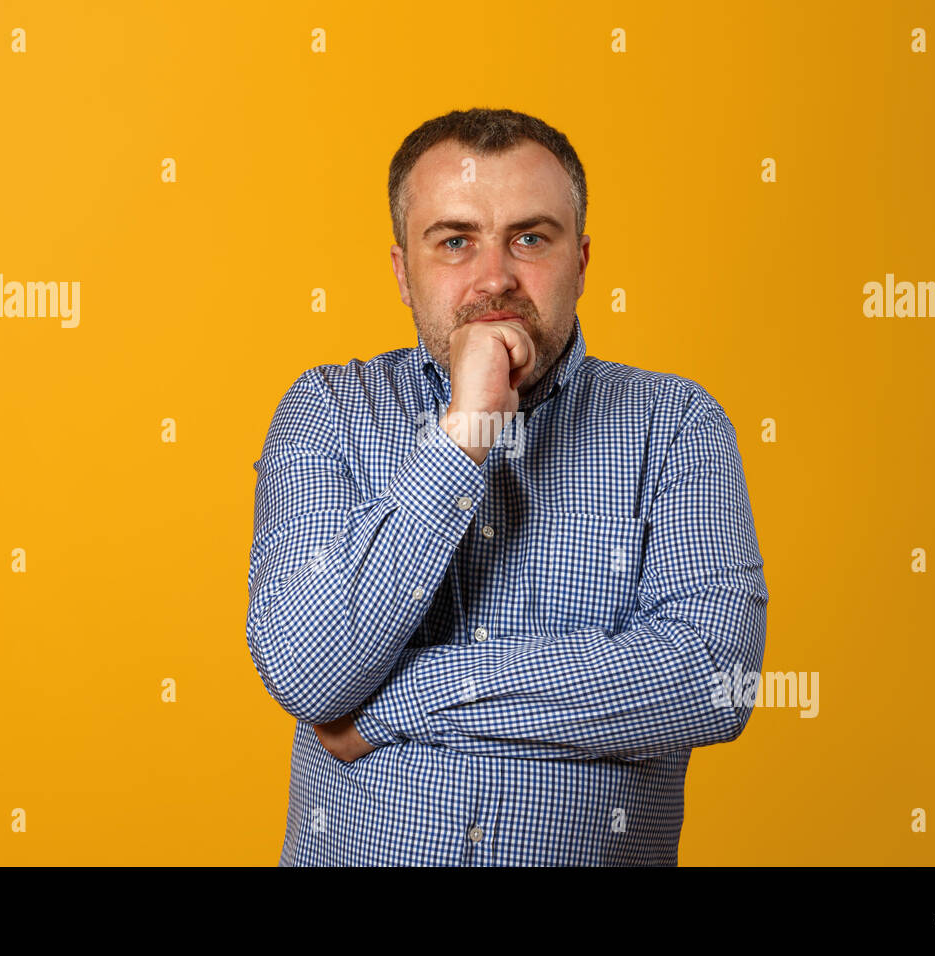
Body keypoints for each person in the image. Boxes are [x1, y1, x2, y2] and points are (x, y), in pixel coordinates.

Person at [245, 107, 769, 865]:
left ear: (581, 262)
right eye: (455, 241)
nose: (494, 277)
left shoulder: (678, 423)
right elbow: (309, 668)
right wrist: (466, 430)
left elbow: (712, 678)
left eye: (530, 238)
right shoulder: (327, 411)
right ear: (402, 271)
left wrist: (400, 703)